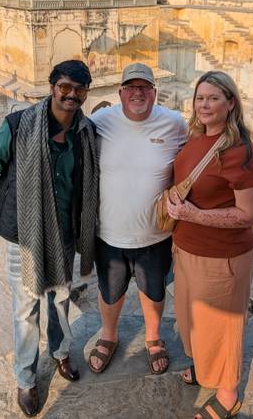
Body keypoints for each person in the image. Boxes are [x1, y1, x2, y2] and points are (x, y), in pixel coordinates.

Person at [0, 60, 99, 417]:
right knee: (26, 309)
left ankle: (59, 354)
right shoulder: (17, 125)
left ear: (87, 91)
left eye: (80, 89)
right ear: (52, 86)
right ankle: (26, 377)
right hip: (24, 235)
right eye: (65, 87)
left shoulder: (85, 133)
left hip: (65, 235)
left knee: (60, 301)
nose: (72, 95)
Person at [167, 71, 253, 419]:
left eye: (213, 98)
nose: (204, 104)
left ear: (231, 103)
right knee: (191, 320)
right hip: (187, 249)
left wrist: (193, 215)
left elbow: (247, 215)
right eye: (200, 98)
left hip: (222, 255)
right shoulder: (197, 138)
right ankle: (205, 368)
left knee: (221, 327)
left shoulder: (240, 152)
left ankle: (227, 393)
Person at [88, 62, 188, 375]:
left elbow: (190, 163)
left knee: (154, 291)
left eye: (144, 87)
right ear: (119, 93)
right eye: (131, 87)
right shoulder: (99, 121)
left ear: (155, 93)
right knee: (110, 291)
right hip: (109, 233)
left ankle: (154, 337)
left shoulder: (174, 123)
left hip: (156, 234)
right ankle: (109, 335)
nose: (137, 93)